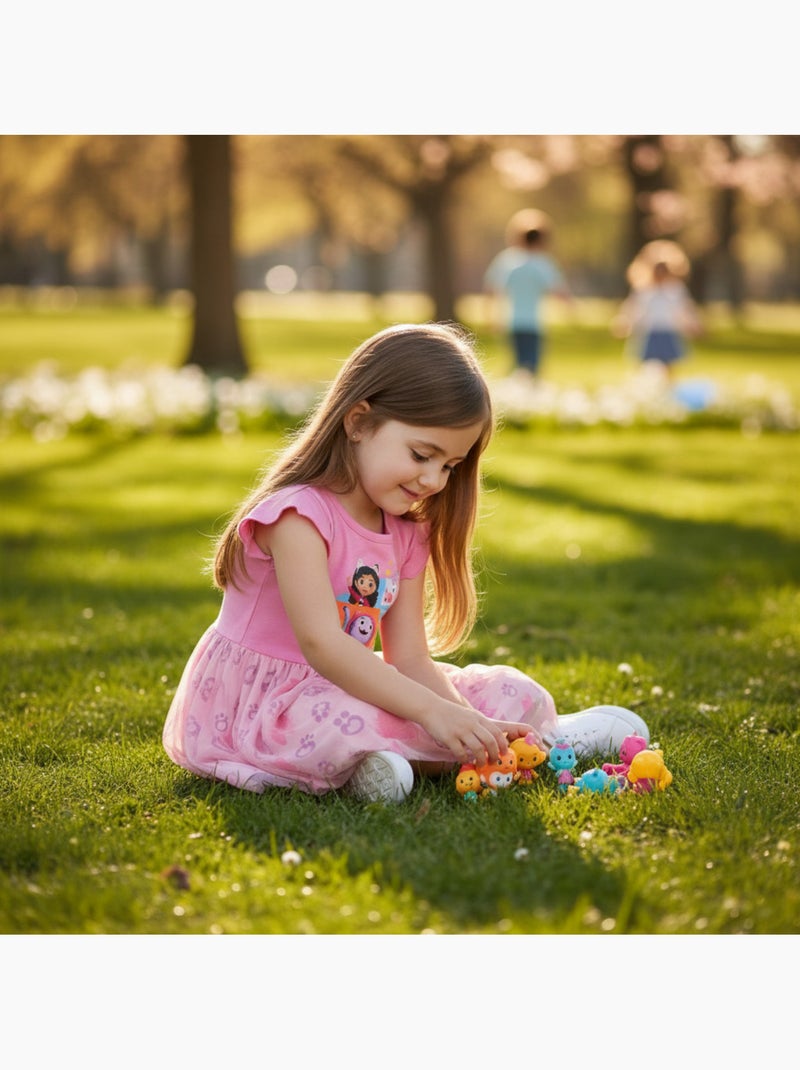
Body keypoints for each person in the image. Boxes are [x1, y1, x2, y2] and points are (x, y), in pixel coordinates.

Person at [163, 322, 648, 803]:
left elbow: (410, 659)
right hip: (270, 705)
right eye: (422, 455)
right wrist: (433, 715)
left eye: (449, 466)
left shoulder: (405, 530)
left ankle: (526, 738)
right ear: (358, 422)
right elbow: (323, 646)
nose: (435, 479)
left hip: (351, 682)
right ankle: (396, 759)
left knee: (509, 692)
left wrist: (467, 721)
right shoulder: (298, 517)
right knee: (341, 720)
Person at [484, 208, 572, 379]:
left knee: (517, 362)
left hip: (511, 321)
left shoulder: (507, 260)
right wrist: (571, 309)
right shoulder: (543, 263)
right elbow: (559, 291)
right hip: (533, 323)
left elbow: (492, 288)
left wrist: (490, 316)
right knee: (531, 366)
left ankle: (515, 392)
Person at [613, 240, 703, 379]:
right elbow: (632, 308)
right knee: (644, 361)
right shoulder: (643, 289)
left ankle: (668, 386)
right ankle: (643, 385)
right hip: (649, 331)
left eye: (664, 269)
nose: (660, 272)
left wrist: (693, 325)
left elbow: (684, 309)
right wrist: (625, 323)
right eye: (657, 268)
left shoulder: (675, 289)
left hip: (668, 331)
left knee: (669, 364)